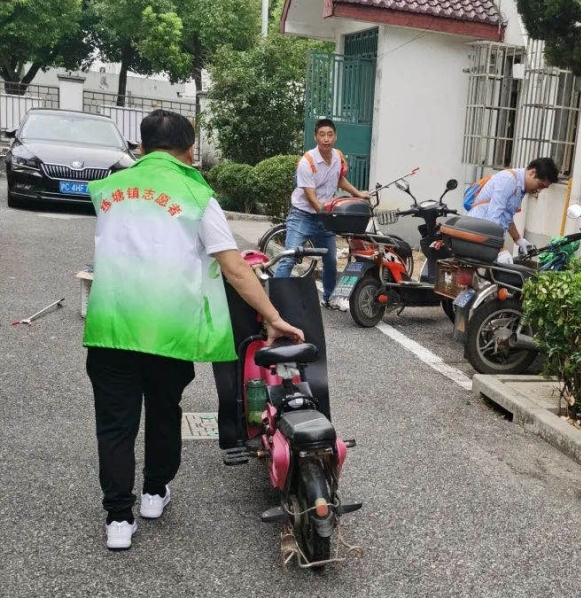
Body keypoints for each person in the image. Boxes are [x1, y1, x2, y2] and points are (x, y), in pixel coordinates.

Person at [83, 109, 304, 552]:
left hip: (110, 326)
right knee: (164, 411)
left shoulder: (109, 190)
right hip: (167, 330)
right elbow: (235, 268)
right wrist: (272, 315)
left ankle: (118, 519)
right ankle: (153, 494)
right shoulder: (197, 195)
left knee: (115, 424)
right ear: (189, 151)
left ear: (141, 147)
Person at [274, 117, 370, 308]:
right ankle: (274, 301)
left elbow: (339, 179)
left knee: (331, 261)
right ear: (315, 137)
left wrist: (358, 193)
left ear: (335, 136)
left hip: (325, 217)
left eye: (330, 134)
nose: (326, 138)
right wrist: (329, 217)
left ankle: (329, 298)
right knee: (288, 258)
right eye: (322, 134)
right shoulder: (307, 161)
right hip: (303, 216)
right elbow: (310, 196)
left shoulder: (338, 157)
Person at [467, 157, 559, 264]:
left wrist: (518, 239)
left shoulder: (520, 187)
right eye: (540, 185)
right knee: (475, 271)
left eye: (543, 188)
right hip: (478, 233)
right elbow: (493, 217)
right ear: (532, 173)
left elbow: (507, 217)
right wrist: (500, 249)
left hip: (487, 236)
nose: (539, 190)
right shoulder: (509, 180)